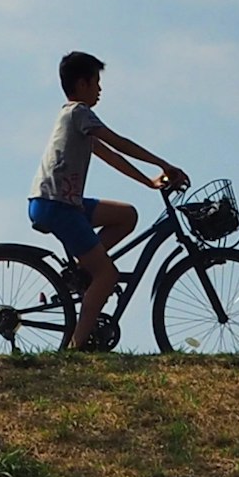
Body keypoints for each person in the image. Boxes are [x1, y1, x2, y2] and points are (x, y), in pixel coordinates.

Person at [31, 48, 188, 350]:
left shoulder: (76, 122)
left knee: (127, 215)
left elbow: (111, 155)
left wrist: (148, 182)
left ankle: (82, 269)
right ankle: (76, 348)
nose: (100, 89)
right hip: (58, 206)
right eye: (96, 82)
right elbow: (118, 141)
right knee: (107, 274)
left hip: (61, 203)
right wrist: (164, 164)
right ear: (81, 84)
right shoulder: (78, 113)